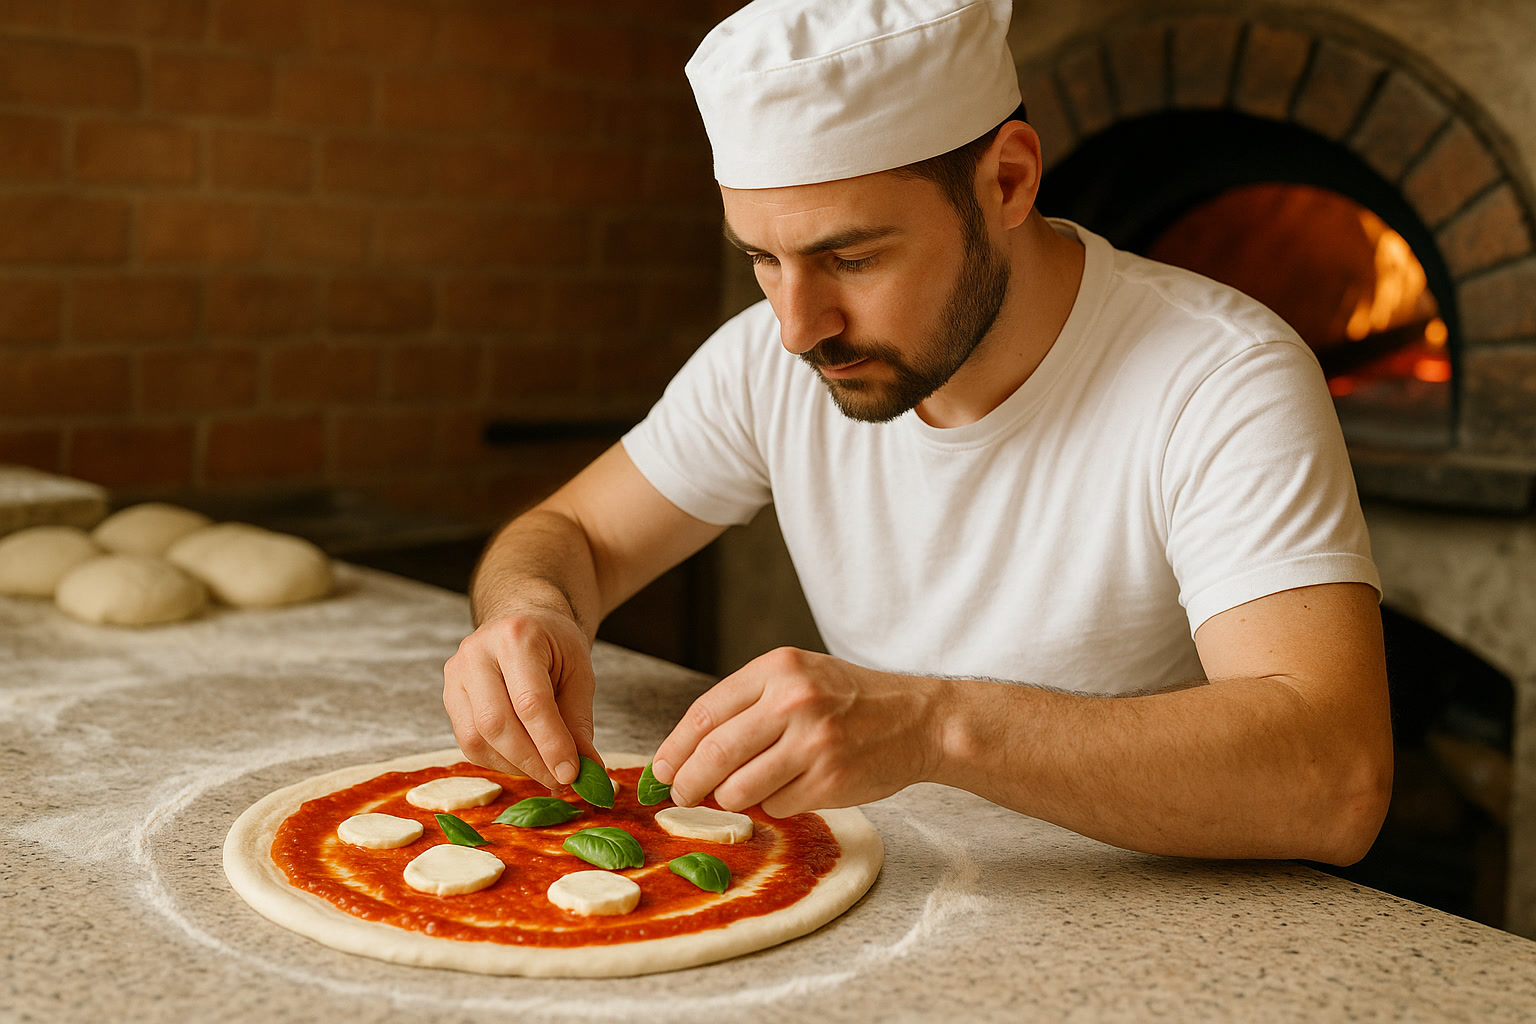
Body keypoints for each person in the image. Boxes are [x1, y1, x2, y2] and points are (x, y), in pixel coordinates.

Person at [443, 0, 1393, 865]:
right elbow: (576, 537)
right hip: (911, 879)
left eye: (851, 256)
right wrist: (532, 612)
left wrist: (935, 728)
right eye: (763, 260)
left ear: (1008, 181)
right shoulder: (769, 358)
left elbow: (1336, 780)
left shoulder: (1222, 377)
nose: (797, 326)